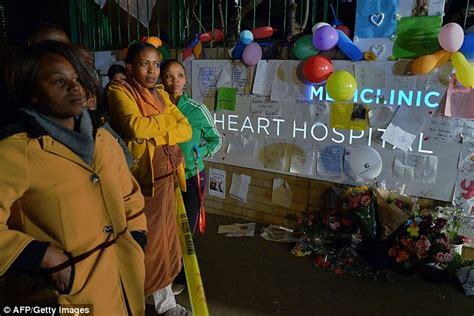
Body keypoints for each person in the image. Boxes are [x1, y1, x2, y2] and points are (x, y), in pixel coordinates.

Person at [0, 41, 147, 315]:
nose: (75, 87)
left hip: (125, 282)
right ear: (32, 93)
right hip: (71, 301)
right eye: (59, 81)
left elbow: (130, 196)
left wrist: (136, 239)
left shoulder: (103, 139)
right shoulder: (16, 151)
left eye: (77, 78)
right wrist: (44, 257)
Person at [106, 42, 192, 316]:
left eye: (156, 64)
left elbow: (186, 130)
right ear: (130, 67)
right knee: (146, 243)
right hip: (142, 183)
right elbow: (134, 126)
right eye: (145, 64)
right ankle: (132, 302)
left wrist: (156, 128)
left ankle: (165, 304)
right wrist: (167, 124)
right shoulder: (119, 91)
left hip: (167, 177)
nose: (153, 71)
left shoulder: (160, 95)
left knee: (167, 242)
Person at [160, 59, 222, 233]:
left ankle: (183, 261)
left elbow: (216, 140)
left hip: (191, 176)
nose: (175, 81)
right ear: (162, 80)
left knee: (187, 230)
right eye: (169, 76)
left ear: (186, 79)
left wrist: (199, 152)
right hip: (165, 176)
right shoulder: (156, 109)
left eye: (180, 75)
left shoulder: (197, 109)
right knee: (166, 227)